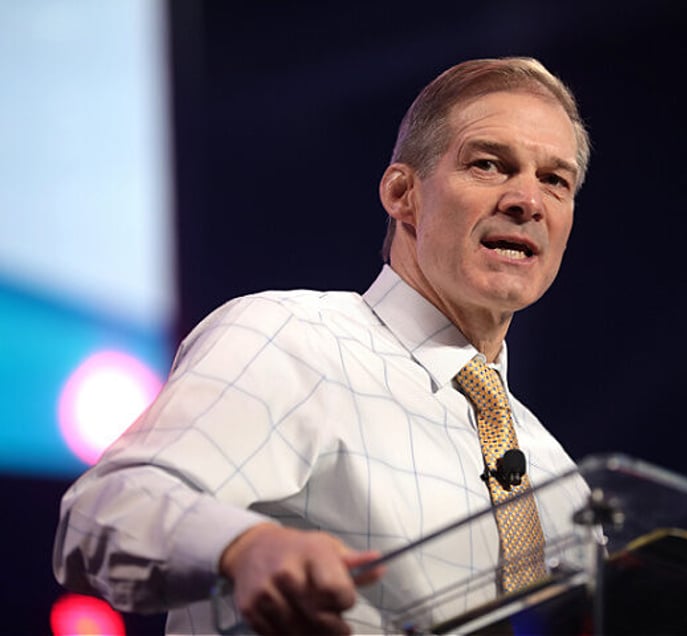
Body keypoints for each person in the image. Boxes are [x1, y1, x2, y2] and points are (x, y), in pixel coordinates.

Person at [53, 56, 592, 635]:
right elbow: (108, 508)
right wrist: (245, 548)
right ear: (402, 193)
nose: (527, 201)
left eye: (554, 180)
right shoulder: (291, 339)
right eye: (489, 164)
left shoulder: (563, 480)